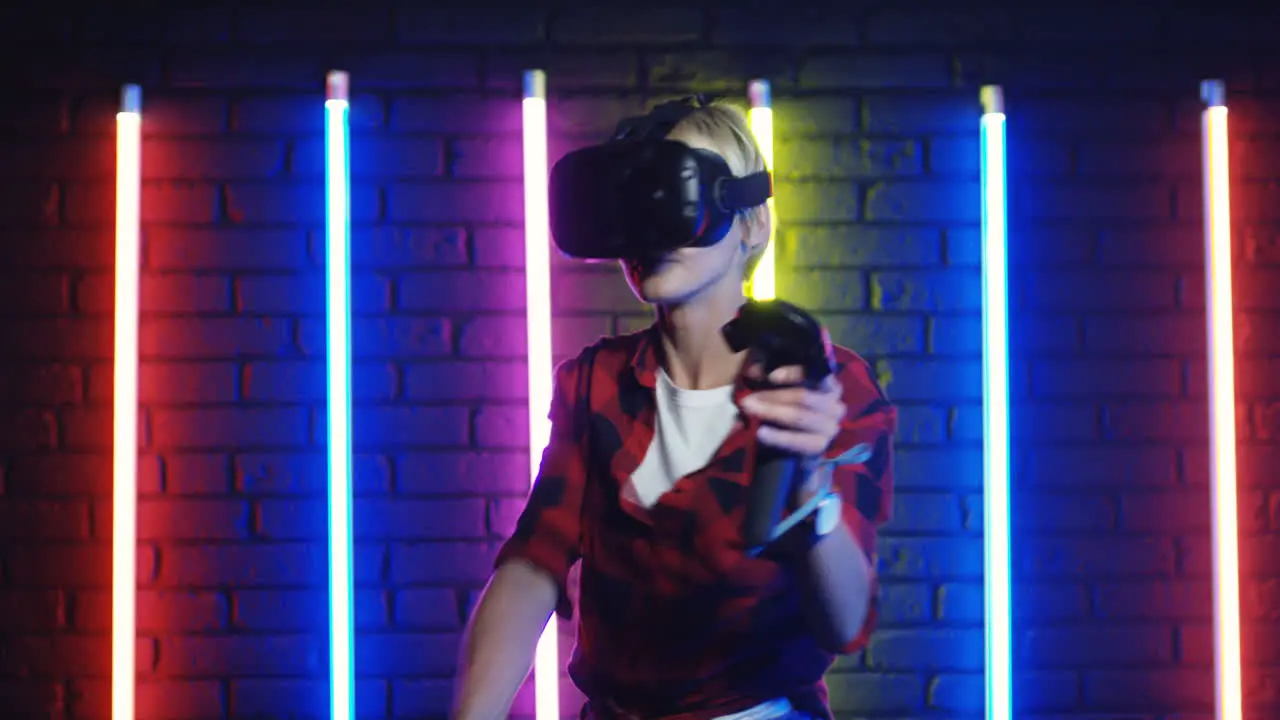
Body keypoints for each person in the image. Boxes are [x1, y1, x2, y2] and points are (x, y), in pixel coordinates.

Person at [452, 102, 896, 720]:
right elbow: (535, 560)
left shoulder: (822, 384)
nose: (650, 231)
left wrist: (809, 492)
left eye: (672, 195)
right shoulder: (595, 382)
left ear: (752, 222)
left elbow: (843, 623)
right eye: (635, 204)